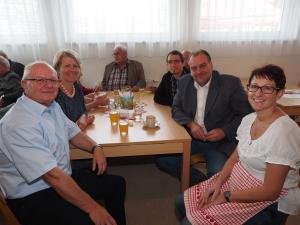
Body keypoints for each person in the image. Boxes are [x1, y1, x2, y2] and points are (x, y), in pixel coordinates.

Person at [0, 61, 126, 225]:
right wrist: (93, 208)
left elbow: (73, 132)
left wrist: (96, 147)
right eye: (39, 80)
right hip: (33, 194)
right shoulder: (17, 124)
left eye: (53, 80)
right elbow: (51, 175)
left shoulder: (52, 106)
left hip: (62, 175)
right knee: (90, 219)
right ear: (24, 84)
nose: (48, 85)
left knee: (116, 184)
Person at [176, 64, 300, 225]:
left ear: (280, 93)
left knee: (189, 222)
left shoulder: (284, 132)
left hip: (268, 200)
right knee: (181, 203)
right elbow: (235, 158)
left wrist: (226, 196)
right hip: (239, 181)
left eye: (267, 88)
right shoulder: (249, 119)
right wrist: (218, 182)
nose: (258, 94)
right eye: (254, 87)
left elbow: (271, 191)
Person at [156, 50, 251, 185]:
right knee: (161, 158)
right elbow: (176, 109)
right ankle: (201, 182)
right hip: (193, 139)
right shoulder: (184, 82)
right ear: (189, 69)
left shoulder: (230, 84)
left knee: (217, 173)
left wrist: (224, 131)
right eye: (194, 68)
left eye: (203, 66)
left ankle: (211, 187)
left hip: (219, 143)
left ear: (211, 65)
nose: (198, 71)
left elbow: (246, 115)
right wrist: (191, 124)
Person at [53, 49, 108, 131]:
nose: (72, 69)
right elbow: (63, 129)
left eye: (75, 66)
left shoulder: (77, 87)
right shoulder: (55, 93)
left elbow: (82, 110)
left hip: (80, 134)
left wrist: (83, 117)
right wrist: (84, 122)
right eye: (67, 66)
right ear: (58, 69)